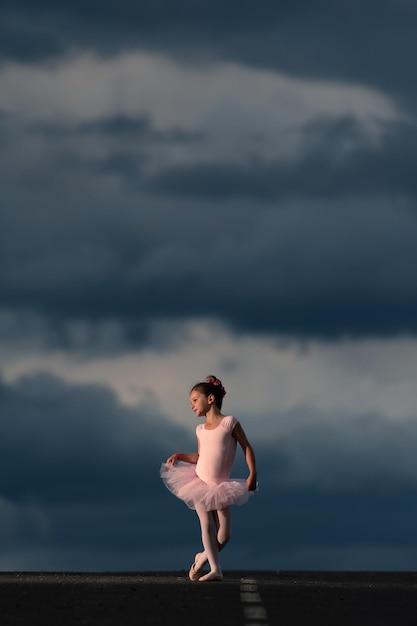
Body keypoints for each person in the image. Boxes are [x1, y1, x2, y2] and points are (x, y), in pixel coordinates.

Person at [160, 375, 257, 582]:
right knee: (207, 526)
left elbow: (247, 447)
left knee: (224, 536)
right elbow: (200, 456)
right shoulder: (200, 429)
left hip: (221, 486)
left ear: (210, 399)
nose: (191, 405)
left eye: (195, 400)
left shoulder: (229, 423)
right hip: (198, 482)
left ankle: (201, 558)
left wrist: (252, 474)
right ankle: (216, 570)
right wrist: (180, 456)